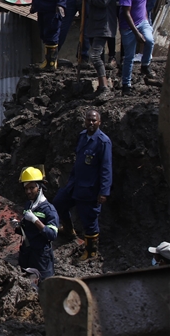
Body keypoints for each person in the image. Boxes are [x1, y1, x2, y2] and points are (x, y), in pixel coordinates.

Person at [52, 109, 112, 261]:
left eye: (94, 120)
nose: (91, 123)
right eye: (88, 120)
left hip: (90, 189)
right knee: (59, 202)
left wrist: (104, 191)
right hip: (75, 184)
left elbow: (106, 168)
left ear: (99, 122)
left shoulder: (103, 142)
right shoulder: (82, 136)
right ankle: (68, 230)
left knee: (89, 220)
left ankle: (91, 252)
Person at [12, 167, 59, 282]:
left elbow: (52, 234)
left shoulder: (49, 210)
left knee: (44, 285)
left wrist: (35, 220)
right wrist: (18, 226)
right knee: (25, 283)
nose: (28, 191)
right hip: (27, 252)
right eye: (26, 188)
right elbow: (29, 230)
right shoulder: (29, 205)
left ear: (39, 188)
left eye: (32, 188)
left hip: (41, 256)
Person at [118, 0, 156, 96]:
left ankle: (145, 65)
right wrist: (136, 33)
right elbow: (126, 13)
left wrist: (146, 19)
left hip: (143, 20)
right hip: (128, 26)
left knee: (150, 41)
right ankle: (126, 85)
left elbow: (144, 1)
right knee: (129, 56)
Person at [81, 0, 116, 96]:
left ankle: (105, 87)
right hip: (94, 22)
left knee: (94, 55)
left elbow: (103, 1)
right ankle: (102, 87)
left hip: (104, 23)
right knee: (98, 57)